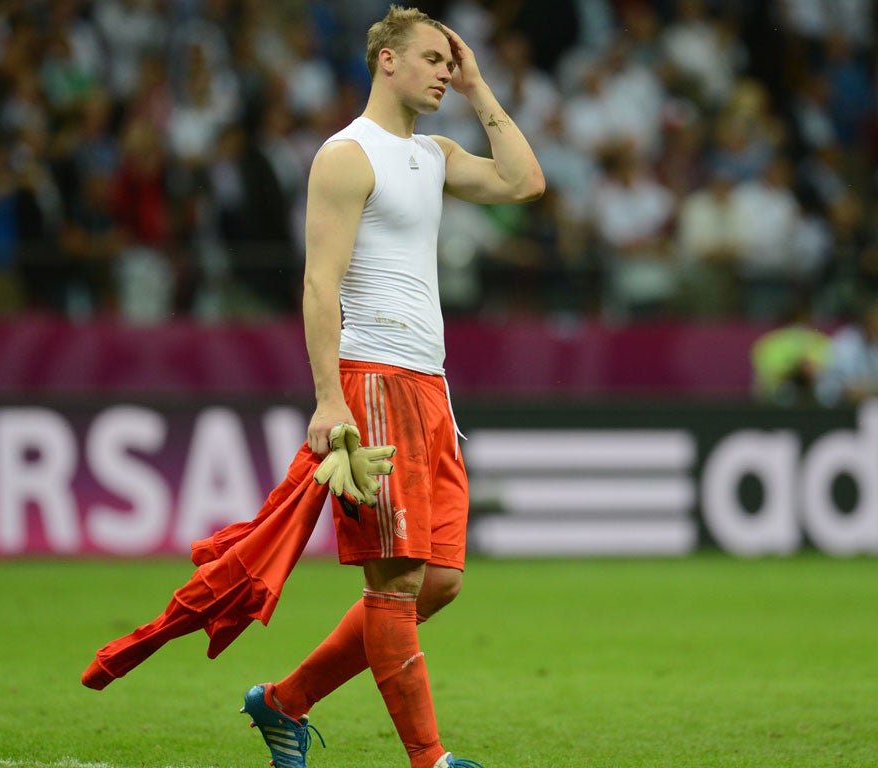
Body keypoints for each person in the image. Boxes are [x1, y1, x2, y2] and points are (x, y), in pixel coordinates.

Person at [240, 6, 544, 768]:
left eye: (452, 61)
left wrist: (479, 88)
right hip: (371, 379)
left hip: (431, 386)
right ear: (386, 61)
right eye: (435, 59)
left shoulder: (434, 155)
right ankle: (431, 760)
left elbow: (524, 180)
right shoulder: (347, 155)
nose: (445, 70)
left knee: (438, 581)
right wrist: (328, 396)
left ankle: (284, 704)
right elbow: (320, 282)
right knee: (398, 576)